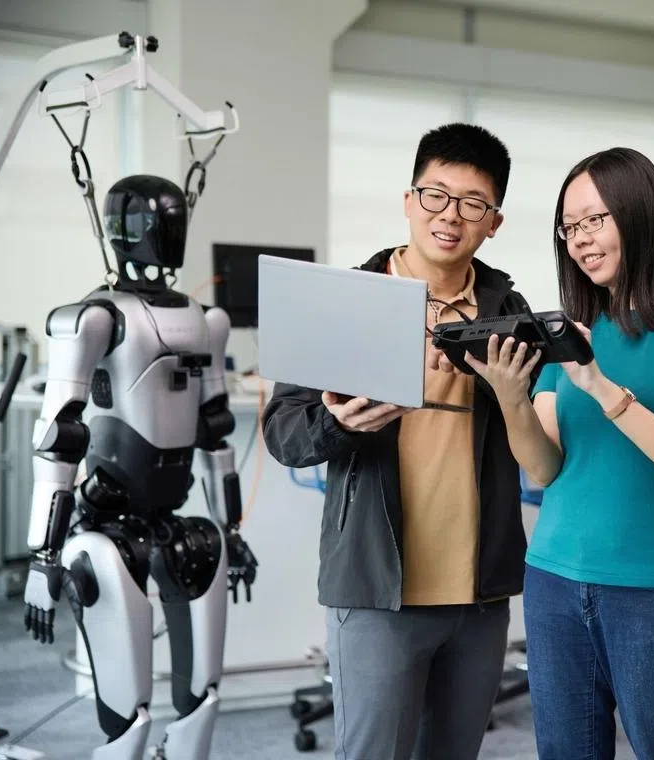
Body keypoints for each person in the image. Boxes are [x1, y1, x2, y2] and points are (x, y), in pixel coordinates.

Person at [261, 122, 533, 760]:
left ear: (493, 222)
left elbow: (535, 435)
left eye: (473, 204)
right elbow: (283, 432)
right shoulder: (343, 303)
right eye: (435, 195)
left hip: (480, 593)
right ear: (409, 201)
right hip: (377, 587)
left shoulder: (507, 312)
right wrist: (338, 424)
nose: (450, 216)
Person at [464, 146, 654, 760]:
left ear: (639, 214)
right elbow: (542, 466)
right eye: (570, 227)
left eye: (595, 219)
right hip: (556, 580)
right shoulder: (568, 330)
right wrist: (511, 397)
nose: (580, 239)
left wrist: (600, 385)